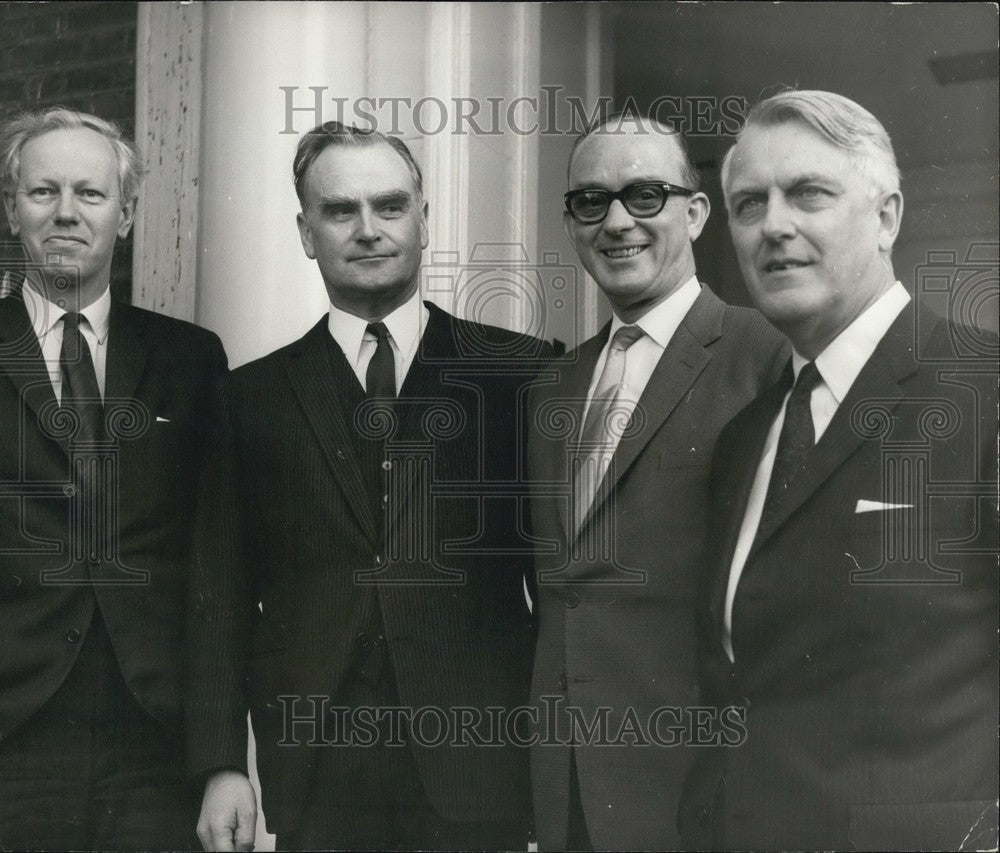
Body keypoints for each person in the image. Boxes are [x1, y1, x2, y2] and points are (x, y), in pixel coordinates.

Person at [186, 122, 549, 851]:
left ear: (424, 217)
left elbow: (560, 584)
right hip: (322, 773)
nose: (368, 229)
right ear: (305, 231)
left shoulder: (521, 374)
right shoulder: (246, 398)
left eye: (389, 206)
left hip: (480, 767)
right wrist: (222, 762)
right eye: (340, 210)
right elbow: (216, 596)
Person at [680, 89, 999, 850]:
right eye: (749, 204)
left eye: (809, 194)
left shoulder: (982, 390)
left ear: (887, 215)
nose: (774, 225)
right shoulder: (744, 439)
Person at [527, 113, 787, 850]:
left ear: (696, 213)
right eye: (591, 200)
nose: (616, 222)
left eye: (645, 196)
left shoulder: (765, 353)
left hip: (701, 790)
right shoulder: (553, 385)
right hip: (569, 789)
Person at [0, 108, 227, 849]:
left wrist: (223, 757)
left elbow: (214, 566)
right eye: (44, 192)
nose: (66, 212)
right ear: (11, 209)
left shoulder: (191, 360)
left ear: (125, 214)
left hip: (155, 740)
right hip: (13, 736)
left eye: (91, 194)